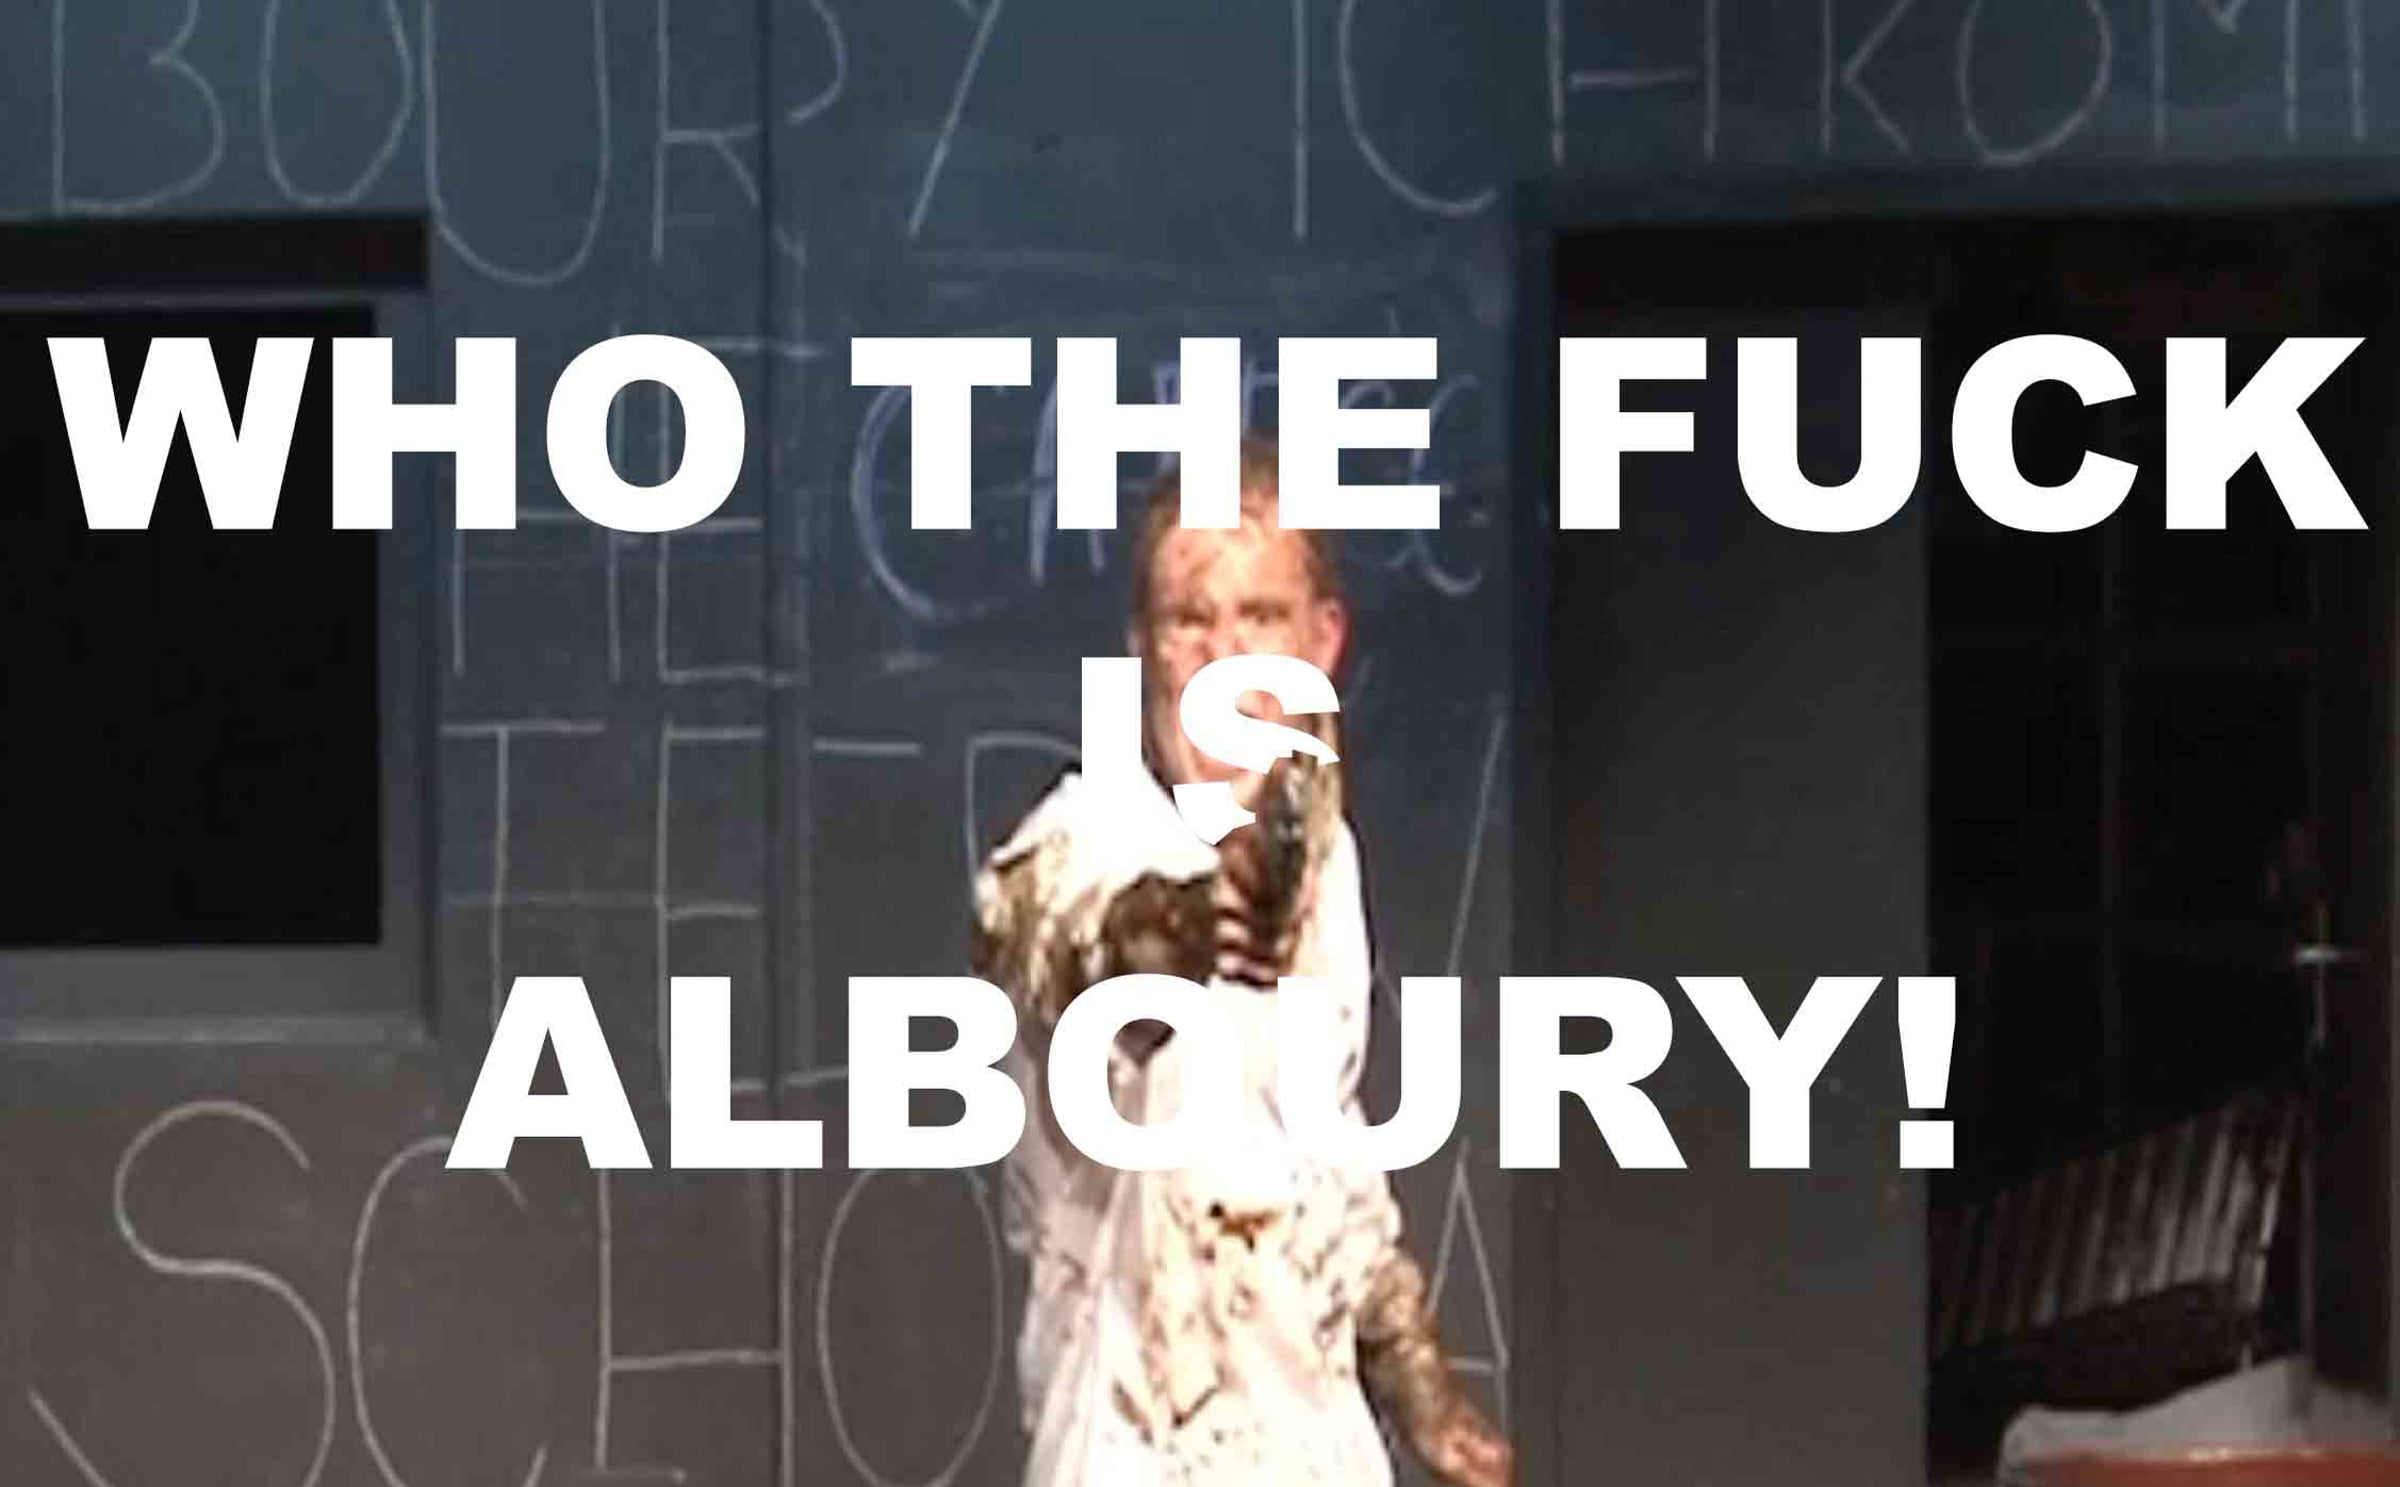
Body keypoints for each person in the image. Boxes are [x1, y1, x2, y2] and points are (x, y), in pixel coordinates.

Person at [971, 437, 1514, 1487]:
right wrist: (1188, 925)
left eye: (1260, 618)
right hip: (1133, 1442)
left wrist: (1418, 1382)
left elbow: (1324, 1155)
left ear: (1322, 639)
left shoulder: (1329, 865)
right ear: (1145, 646)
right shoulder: (1074, 842)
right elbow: (1074, 962)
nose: (1225, 660)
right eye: (1191, 620)